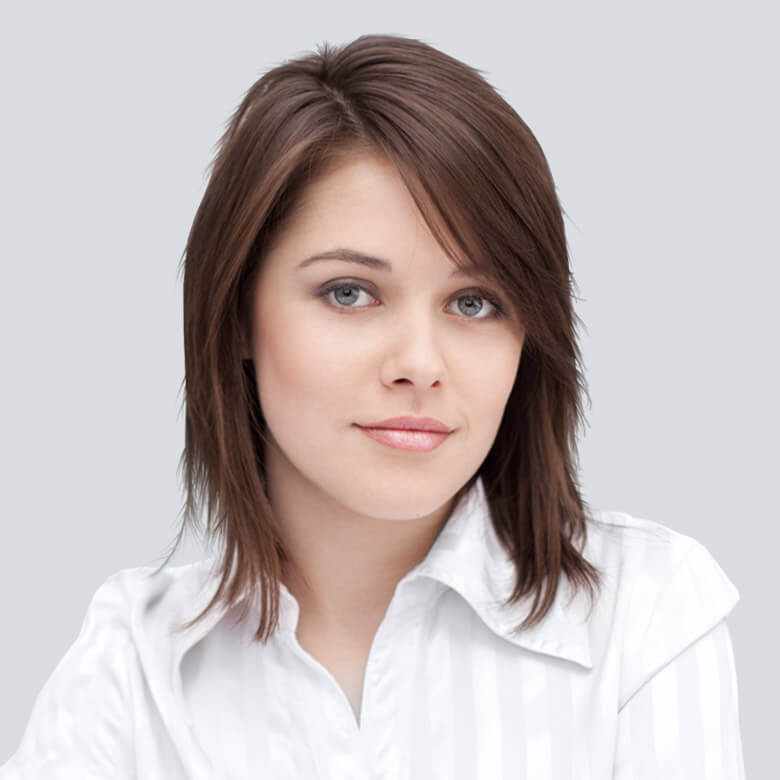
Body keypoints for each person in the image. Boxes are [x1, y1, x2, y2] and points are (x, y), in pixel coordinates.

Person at [1, 33, 745, 779]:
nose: (419, 365)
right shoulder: (134, 666)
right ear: (238, 315)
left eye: (475, 302)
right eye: (350, 293)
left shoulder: (646, 614)